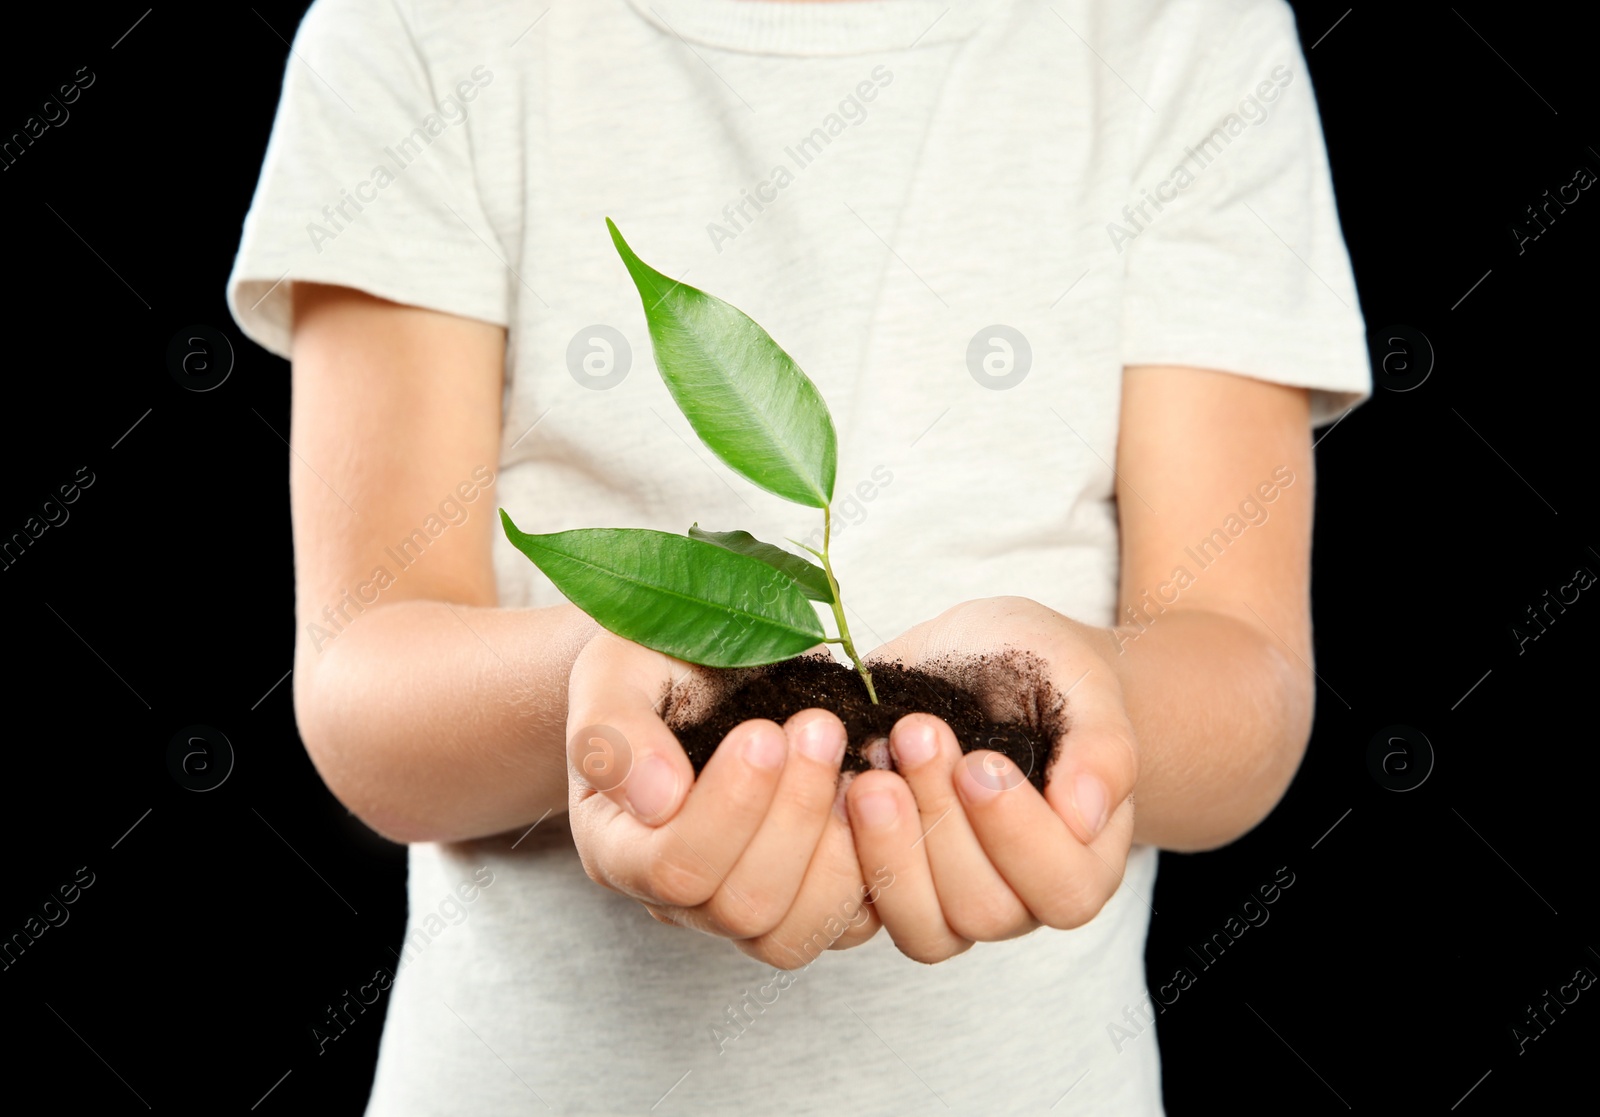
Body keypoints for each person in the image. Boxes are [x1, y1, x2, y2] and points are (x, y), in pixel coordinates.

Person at [228, 0, 1369, 1111]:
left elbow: (1244, 678)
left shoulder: (1186, 32)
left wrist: (1079, 713)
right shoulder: (423, 27)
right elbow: (359, 686)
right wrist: (607, 691)